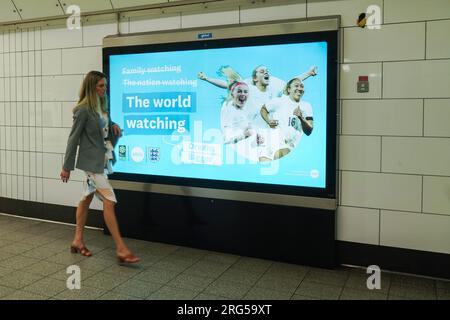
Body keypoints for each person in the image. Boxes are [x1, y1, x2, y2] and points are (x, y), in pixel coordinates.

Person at [60, 70, 140, 264]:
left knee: (86, 198)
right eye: (100, 86)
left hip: (101, 160)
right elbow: (73, 139)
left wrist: (115, 128)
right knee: (109, 200)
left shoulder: (102, 106)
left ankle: (77, 240)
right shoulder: (83, 110)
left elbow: (105, 128)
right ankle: (121, 249)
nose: (104, 89)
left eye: (105, 85)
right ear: (91, 87)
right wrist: (67, 166)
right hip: (91, 164)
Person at [260, 78, 314, 160]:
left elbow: (309, 131)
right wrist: (268, 121)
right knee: (264, 166)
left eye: (302, 86)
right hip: (271, 142)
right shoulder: (280, 101)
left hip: (288, 145)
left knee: (279, 157)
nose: (299, 88)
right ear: (289, 89)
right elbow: (263, 109)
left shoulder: (306, 106)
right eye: (296, 86)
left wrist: (301, 117)